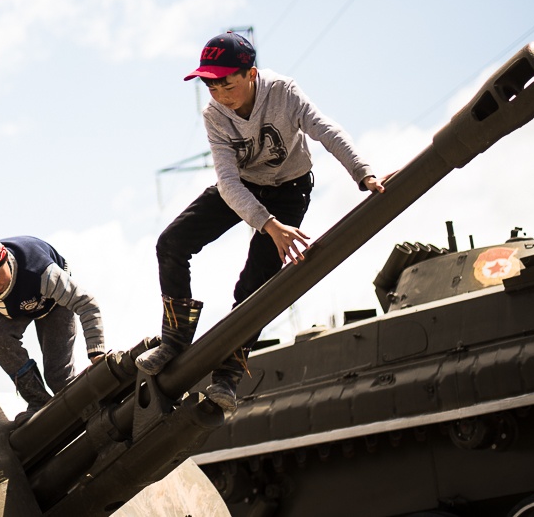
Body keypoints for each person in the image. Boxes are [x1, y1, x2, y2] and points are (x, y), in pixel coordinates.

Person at [136, 30, 388, 412]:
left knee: (254, 284)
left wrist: (363, 173)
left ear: (250, 74)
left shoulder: (283, 93)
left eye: (226, 83)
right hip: (243, 187)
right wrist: (266, 224)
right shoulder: (214, 115)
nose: (219, 94)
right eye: (210, 85)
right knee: (171, 243)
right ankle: (174, 340)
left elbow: (326, 131)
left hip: (289, 191)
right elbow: (227, 180)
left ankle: (227, 377)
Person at [0, 230, 105, 413]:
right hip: (10, 305)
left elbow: (86, 303)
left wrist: (96, 353)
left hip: (53, 302)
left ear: (4, 261)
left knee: (58, 377)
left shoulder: (42, 272)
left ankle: (93, 412)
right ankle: (38, 402)